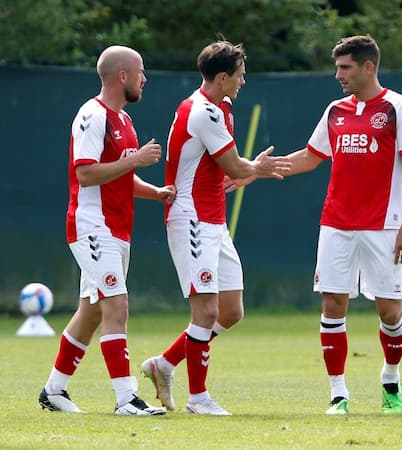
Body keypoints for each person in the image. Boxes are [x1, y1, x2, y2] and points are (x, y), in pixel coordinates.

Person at [228, 35, 402, 415]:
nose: (339, 75)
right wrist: (254, 171)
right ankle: (339, 394)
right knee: (333, 305)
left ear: (368, 67)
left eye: (345, 67)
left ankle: (390, 381)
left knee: (389, 311)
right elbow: (310, 156)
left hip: (385, 225)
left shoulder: (400, 109)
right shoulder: (335, 111)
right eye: (337, 68)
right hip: (336, 224)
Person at [140, 40, 291, 416]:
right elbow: (237, 167)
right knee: (205, 310)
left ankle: (164, 364)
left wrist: (241, 172)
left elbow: (226, 167)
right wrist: (256, 169)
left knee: (230, 311)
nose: (243, 82)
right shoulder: (203, 111)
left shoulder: (222, 107)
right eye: (239, 76)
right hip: (190, 218)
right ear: (222, 77)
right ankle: (199, 399)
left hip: (212, 218)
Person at [37, 45, 173, 416]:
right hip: (91, 226)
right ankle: (126, 398)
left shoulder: (124, 121)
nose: (145, 78)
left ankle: (54, 390)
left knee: (92, 312)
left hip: (116, 228)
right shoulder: (92, 115)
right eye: (140, 71)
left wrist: (155, 192)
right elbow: (85, 172)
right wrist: (134, 160)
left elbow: (120, 176)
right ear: (122, 76)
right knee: (117, 304)